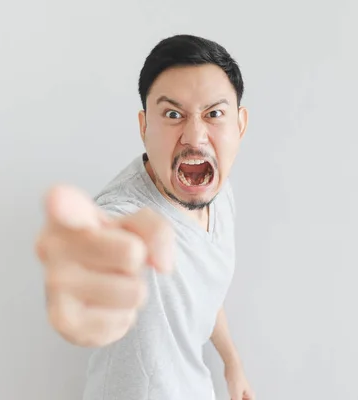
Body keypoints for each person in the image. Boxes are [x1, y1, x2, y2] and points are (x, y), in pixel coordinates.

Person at [35, 34, 254, 400]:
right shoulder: (121, 214)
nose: (195, 136)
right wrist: (76, 285)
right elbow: (98, 246)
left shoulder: (220, 193)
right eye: (172, 114)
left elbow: (205, 290)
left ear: (240, 125)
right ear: (143, 126)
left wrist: (233, 364)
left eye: (214, 114)